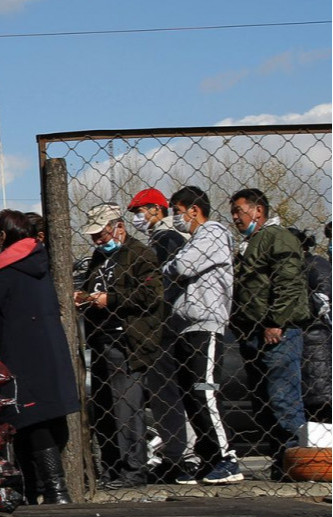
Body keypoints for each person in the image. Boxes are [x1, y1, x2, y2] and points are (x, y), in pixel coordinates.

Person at [0, 209, 78, 504]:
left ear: (3, 236)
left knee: (31, 417)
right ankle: (43, 491)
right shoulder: (38, 262)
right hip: (48, 353)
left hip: (20, 355)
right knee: (44, 417)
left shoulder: (4, 268)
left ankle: (53, 490)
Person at [77, 203, 164, 489]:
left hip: (127, 341)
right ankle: (112, 469)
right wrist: (85, 297)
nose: (98, 241)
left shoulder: (141, 254)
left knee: (126, 409)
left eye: (101, 235)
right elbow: (95, 288)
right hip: (100, 339)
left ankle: (134, 471)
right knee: (103, 409)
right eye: (94, 237)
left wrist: (110, 299)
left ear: (118, 227)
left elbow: (151, 295)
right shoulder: (99, 257)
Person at [229, 189, 310, 476]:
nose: (235, 217)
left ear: (258, 210)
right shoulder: (250, 243)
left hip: (277, 333)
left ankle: (299, 463)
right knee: (263, 403)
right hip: (253, 333)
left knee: (283, 399)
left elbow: (289, 281)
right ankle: (282, 461)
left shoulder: (277, 237)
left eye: (239, 210)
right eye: (233, 212)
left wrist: (277, 320)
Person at [165, 186, 240, 483]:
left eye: (177, 212)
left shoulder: (213, 232)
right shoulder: (195, 239)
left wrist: (171, 266)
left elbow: (181, 266)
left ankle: (227, 457)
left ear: (193, 210)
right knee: (191, 396)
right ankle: (209, 458)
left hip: (206, 322)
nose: (176, 219)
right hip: (187, 325)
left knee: (204, 391)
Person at [126, 186, 193, 482]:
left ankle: (186, 456)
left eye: (140, 212)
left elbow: (165, 285)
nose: (137, 218)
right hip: (162, 326)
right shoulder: (159, 239)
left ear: (156, 209)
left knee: (170, 394)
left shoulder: (168, 239)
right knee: (164, 395)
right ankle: (176, 454)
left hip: (166, 326)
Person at [290, 227, 331, 422]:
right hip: (309, 345)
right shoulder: (303, 266)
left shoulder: (313, 265)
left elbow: (325, 303)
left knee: (321, 404)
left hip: (317, 344)